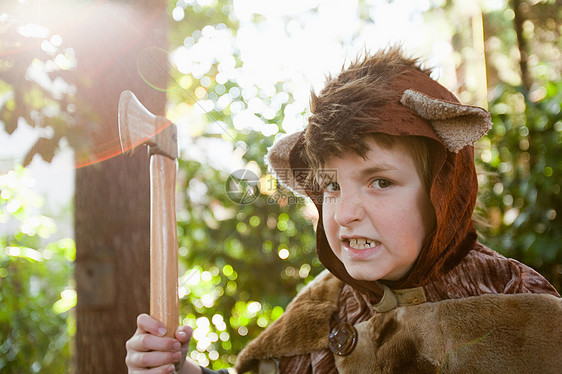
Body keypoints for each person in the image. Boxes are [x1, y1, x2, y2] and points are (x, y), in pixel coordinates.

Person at [125, 47, 560, 373]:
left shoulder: (514, 299)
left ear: (444, 194)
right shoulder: (322, 308)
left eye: (380, 182)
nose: (345, 212)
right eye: (331, 186)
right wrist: (183, 370)